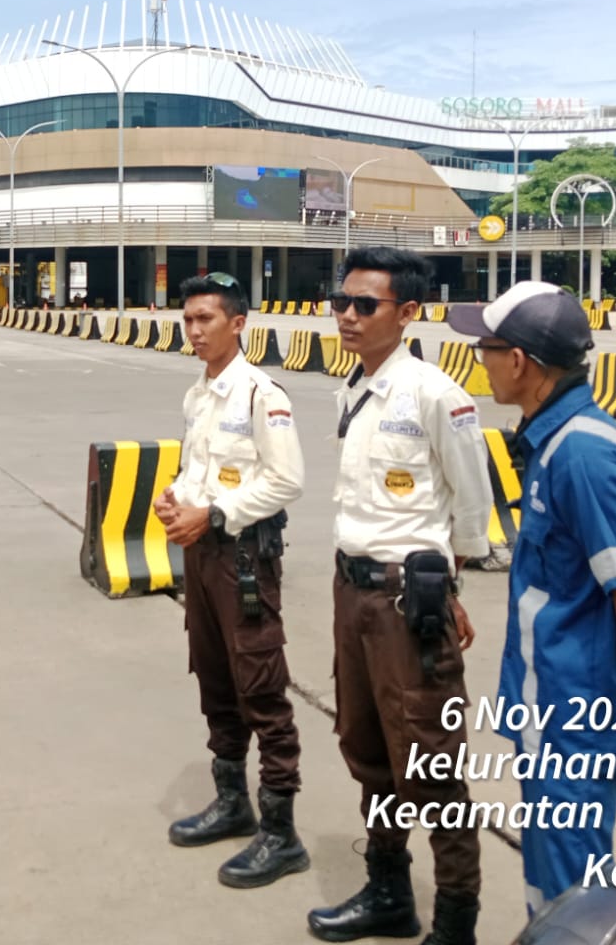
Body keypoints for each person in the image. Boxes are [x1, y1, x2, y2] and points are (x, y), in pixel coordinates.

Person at [451, 281, 616, 922]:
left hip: (575, 715)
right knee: (552, 879)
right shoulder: (552, 439)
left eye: (487, 348)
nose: (481, 362)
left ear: (519, 361)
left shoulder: (582, 454)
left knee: (573, 895)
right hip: (551, 704)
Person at [308, 247, 489, 945]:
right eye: (341, 302)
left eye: (365, 305)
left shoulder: (438, 396)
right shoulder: (353, 387)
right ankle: (388, 890)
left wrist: (446, 589)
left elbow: (471, 509)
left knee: (432, 763)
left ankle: (456, 923)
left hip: (405, 605)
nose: (347, 317)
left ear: (407, 312)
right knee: (369, 751)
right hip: (353, 595)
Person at [153, 271, 309, 889]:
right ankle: (232, 801)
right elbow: (198, 468)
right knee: (215, 677)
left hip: (244, 560)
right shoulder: (198, 394)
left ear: (238, 324)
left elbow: (286, 479)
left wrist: (215, 514)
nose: (194, 331)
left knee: (260, 687)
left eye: (206, 319)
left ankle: (281, 830)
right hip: (202, 556)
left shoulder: (261, 395)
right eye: (188, 320)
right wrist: (175, 498)